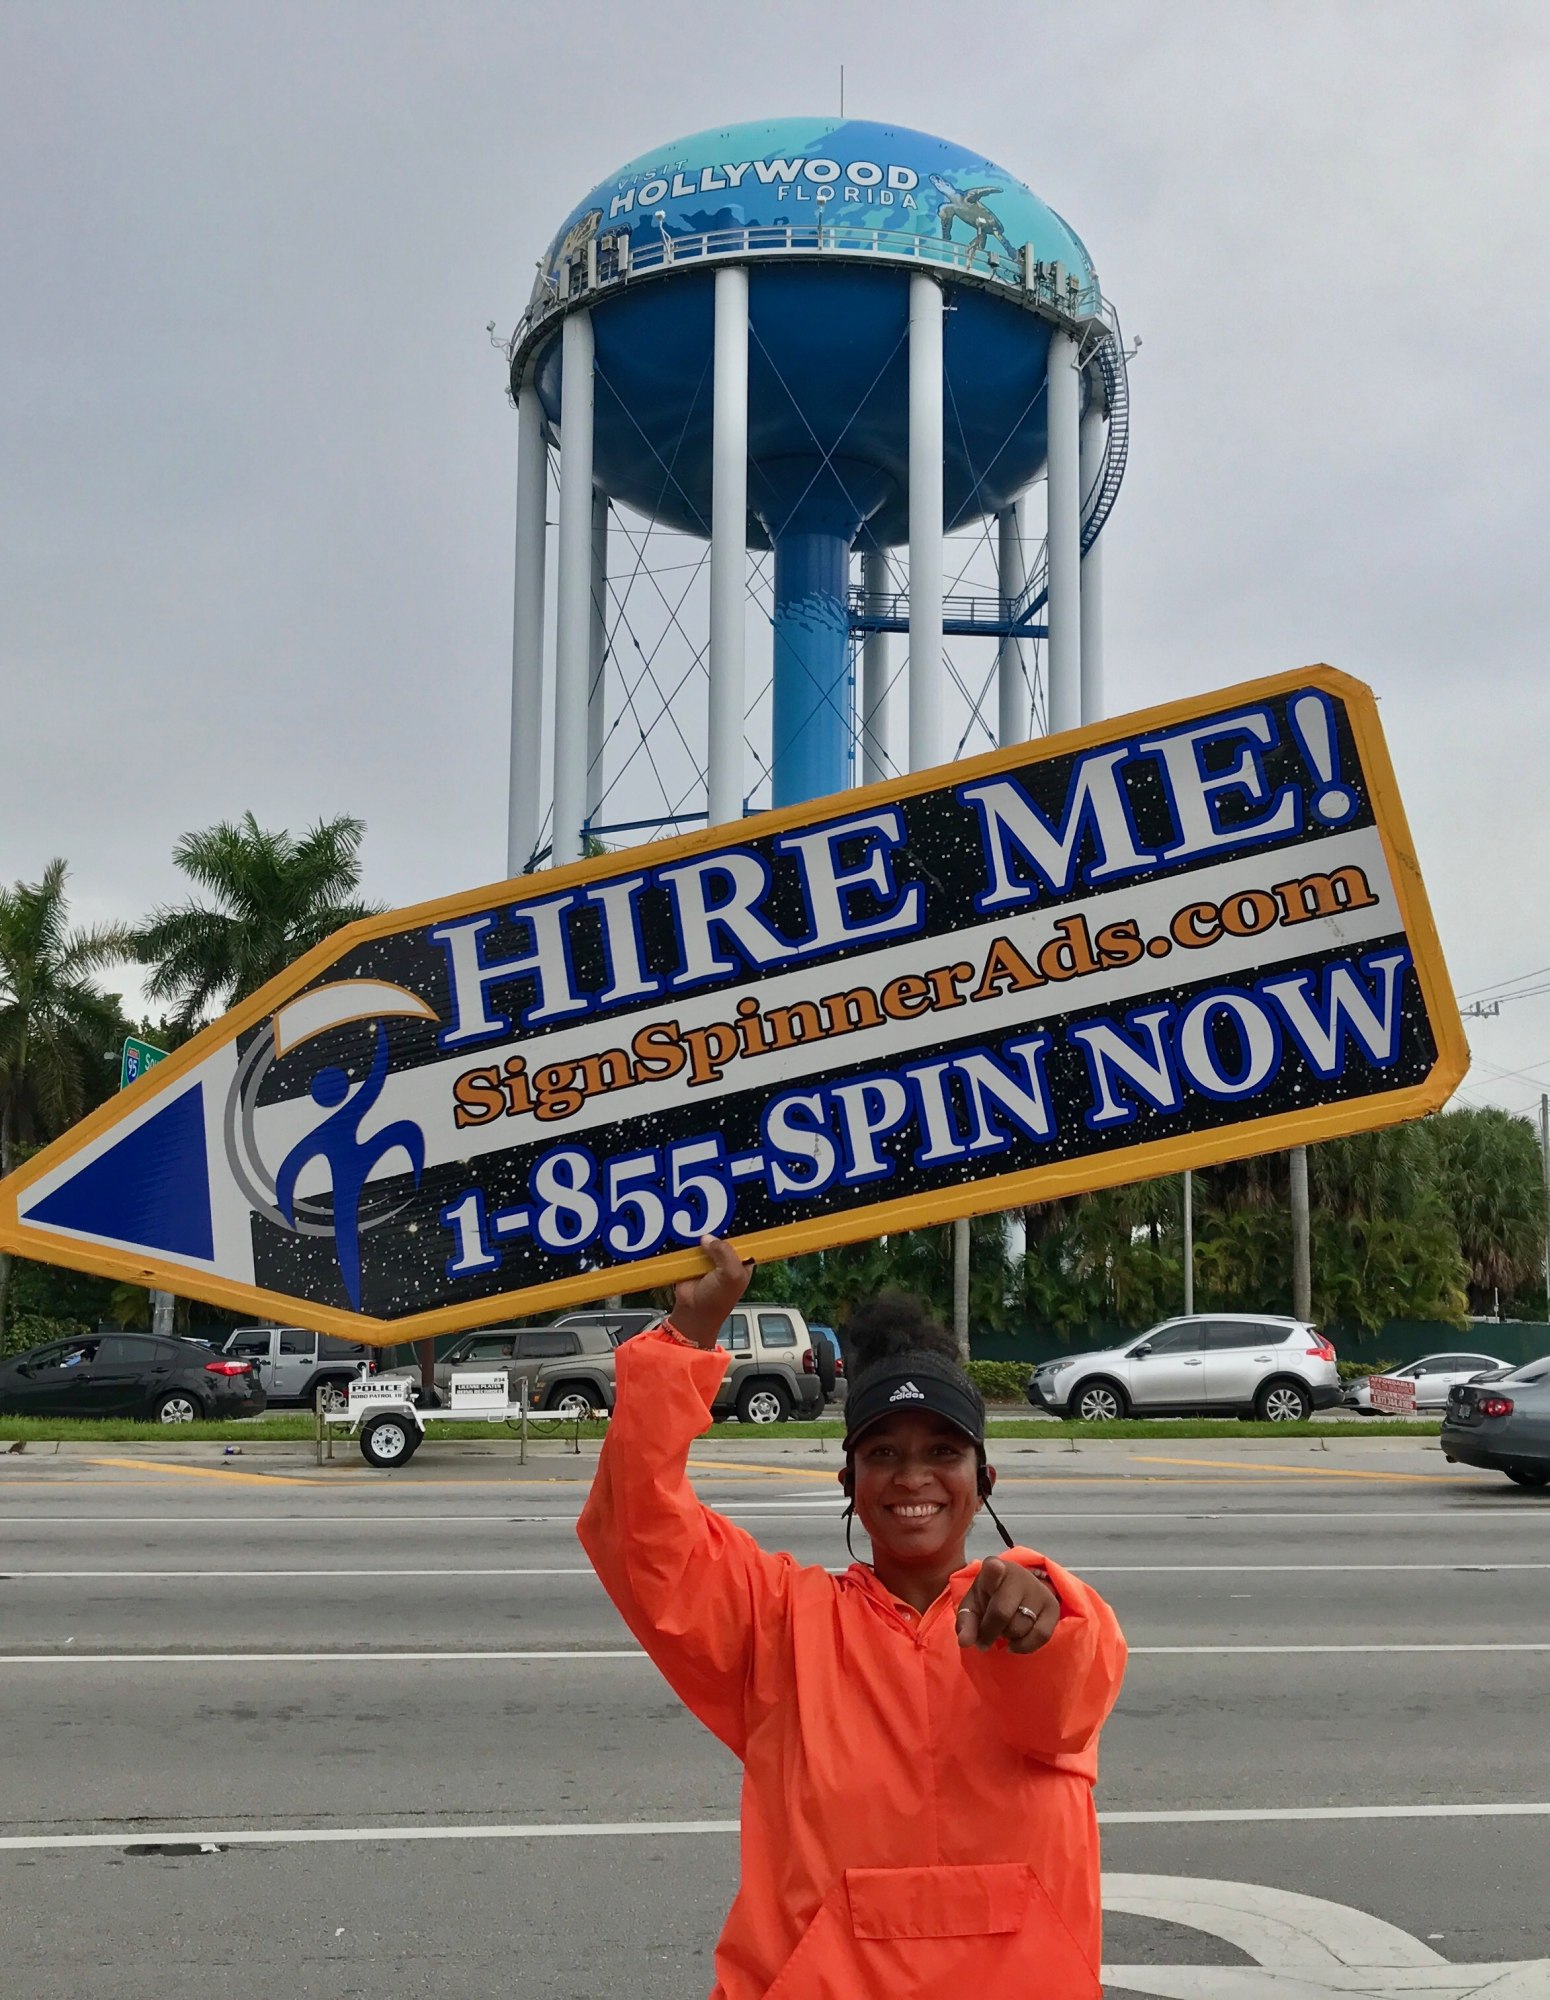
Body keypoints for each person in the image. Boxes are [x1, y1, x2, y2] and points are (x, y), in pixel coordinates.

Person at [577, 1237, 1128, 1999]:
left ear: (984, 1480)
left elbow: (1066, 1701)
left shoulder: (1036, 1611)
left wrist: (1045, 1620)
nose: (913, 1477)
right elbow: (638, 1526)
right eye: (883, 1454)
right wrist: (687, 1338)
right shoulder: (779, 1624)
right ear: (849, 1482)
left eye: (943, 1451)